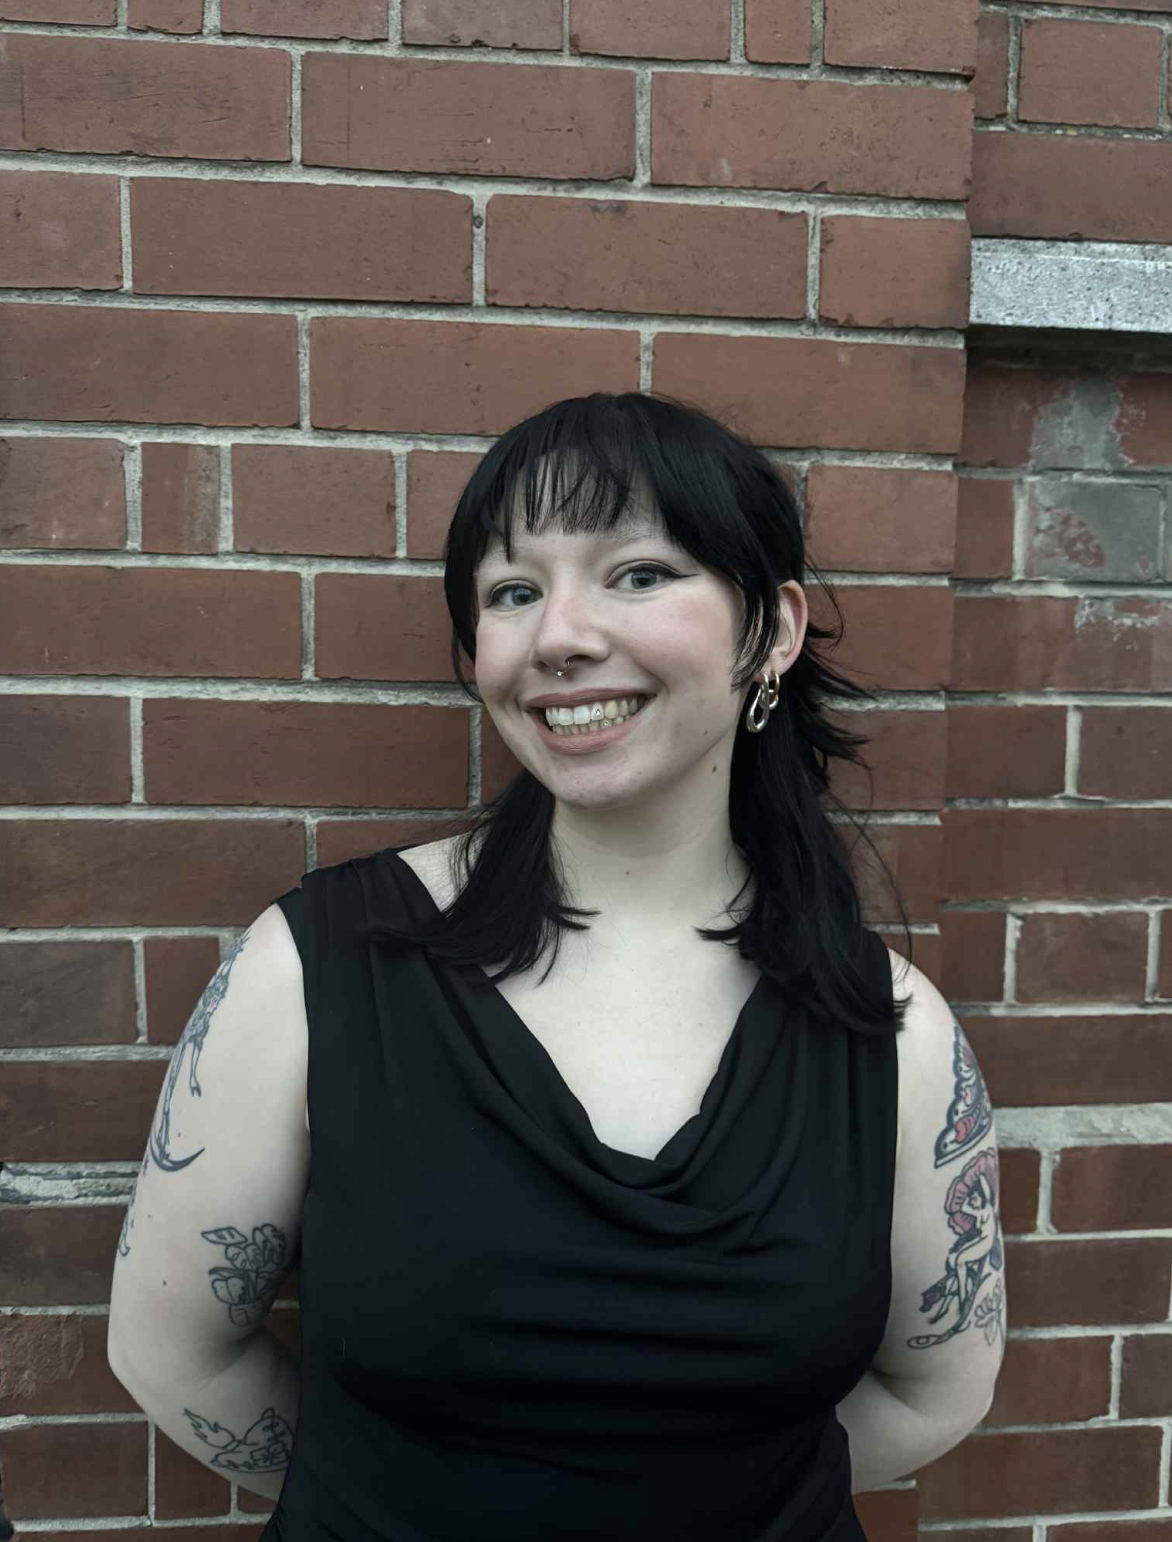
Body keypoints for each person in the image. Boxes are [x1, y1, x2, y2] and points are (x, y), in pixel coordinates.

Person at [108, 391, 1005, 1537]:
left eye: (635, 573)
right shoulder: (316, 970)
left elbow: (939, 1387)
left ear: (769, 631)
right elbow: (171, 1353)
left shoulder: (889, 1035)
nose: (559, 636)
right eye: (511, 592)